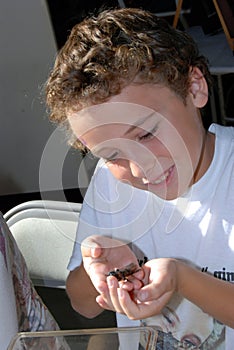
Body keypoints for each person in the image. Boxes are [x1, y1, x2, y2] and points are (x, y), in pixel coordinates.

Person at [45, 7, 234, 349]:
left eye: (146, 134)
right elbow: (83, 306)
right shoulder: (109, 182)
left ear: (194, 88)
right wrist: (96, 268)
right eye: (113, 155)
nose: (138, 169)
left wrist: (183, 280)